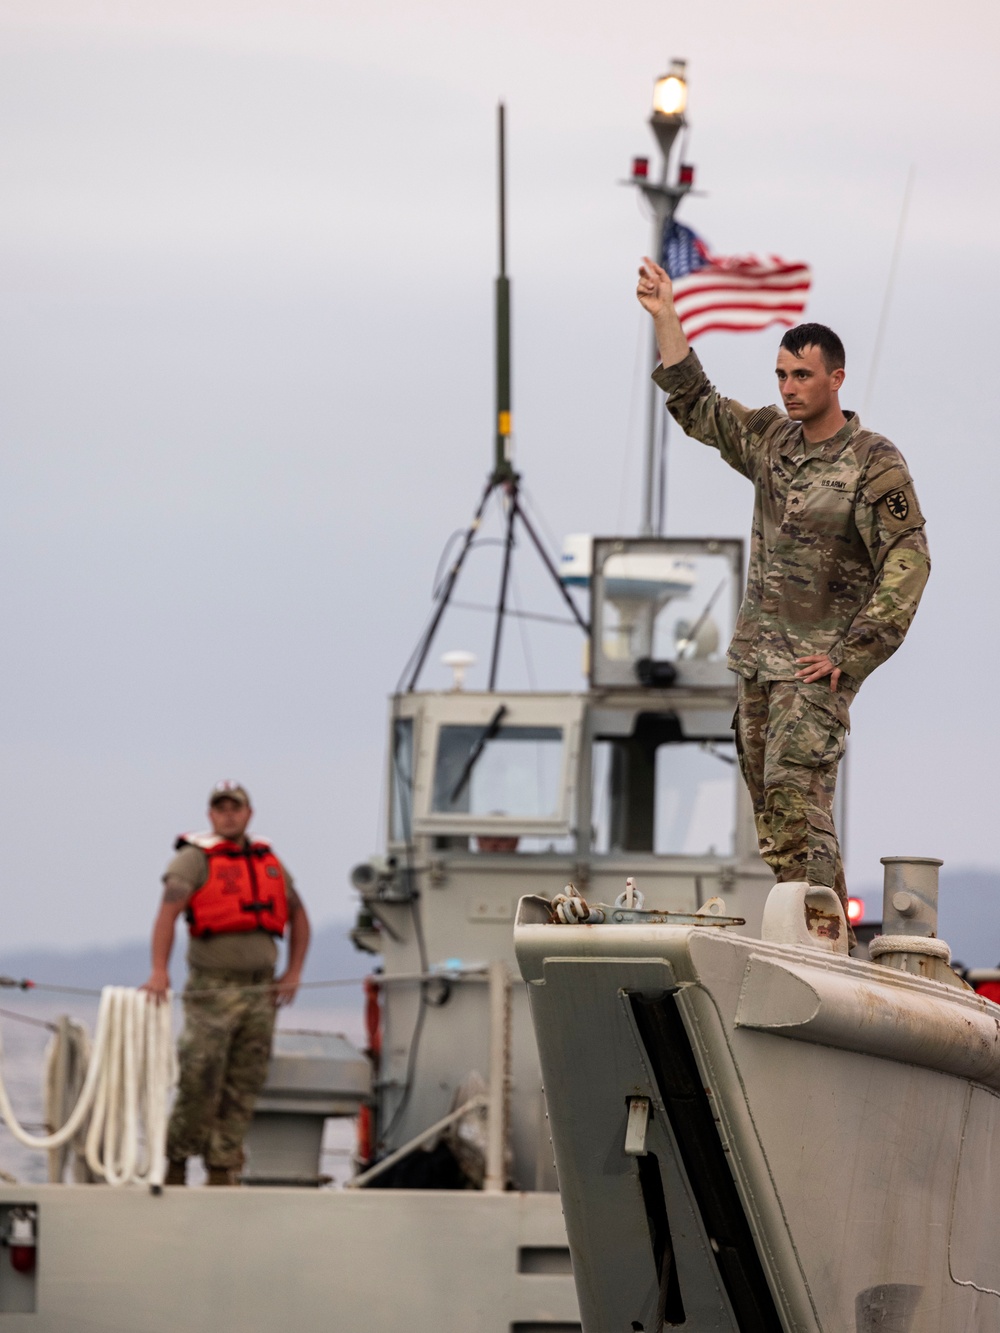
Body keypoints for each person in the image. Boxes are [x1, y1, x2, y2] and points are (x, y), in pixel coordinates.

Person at [636, 257, 930, 938]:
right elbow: (699, 405)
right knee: (775, 816)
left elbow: (909, 561)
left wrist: (851, 655)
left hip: (816, 668)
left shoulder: (873, 462)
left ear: (836, 378)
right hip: (759, 665)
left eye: (803, 375)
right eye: (782, 375)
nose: (790, 387)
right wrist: (666, 316)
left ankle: (822, 941)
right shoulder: (771, 441)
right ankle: (816, 932)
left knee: (799, 796)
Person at [142, 781, 310, 1185]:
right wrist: (159, 971)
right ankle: (176, 1166)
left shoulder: (269, 861)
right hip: (213, 988)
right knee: (200, 1076)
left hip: (261, 991)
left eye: (235, 808)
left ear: (249, 814)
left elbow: (299, 916)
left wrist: (293, 972)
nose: (228, 815)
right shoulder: (192, 860)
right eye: (221, 809)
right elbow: (167, 914)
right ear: (210, 815)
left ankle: (222, 1169)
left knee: (245, 1081)